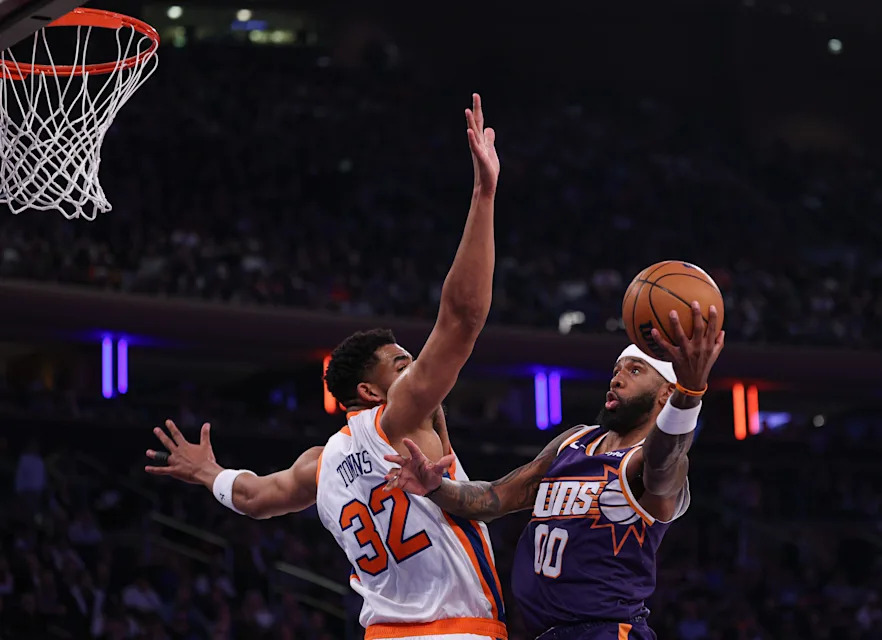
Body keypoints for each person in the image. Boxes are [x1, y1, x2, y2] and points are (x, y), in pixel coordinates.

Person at [145, 94, 506, 640]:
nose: (413, 370)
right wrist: (484, 194)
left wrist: (208, 474)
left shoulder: (322, 463)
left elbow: (254, 497)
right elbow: (461, 318)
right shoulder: (401, 415)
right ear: (369, 389)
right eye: (400, 363)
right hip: (457, 630)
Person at [384, 304, 725, 639]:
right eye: (617, 369)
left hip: (609, 631)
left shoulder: (650, 464)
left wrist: (690, 393)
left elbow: (665, 457)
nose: (618, 378)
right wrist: (436, 486)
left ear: (667, 393)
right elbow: (492, 499)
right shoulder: (573, 441)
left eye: (635, 370)